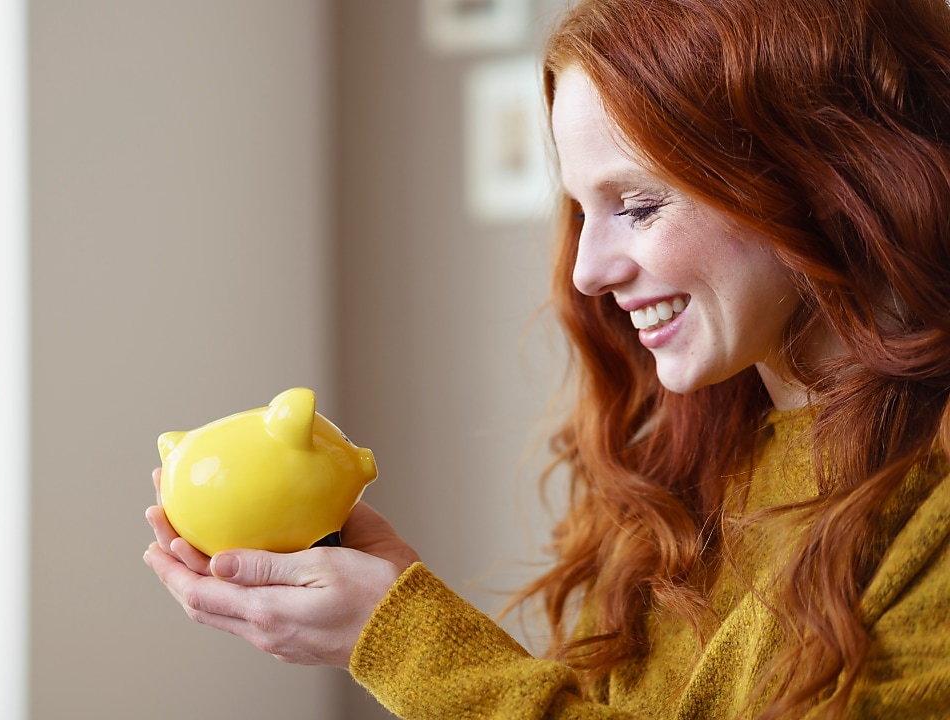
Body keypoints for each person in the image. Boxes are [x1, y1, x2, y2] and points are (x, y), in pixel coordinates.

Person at [144, 0, 950, 716]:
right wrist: (387, 608)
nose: (586, 272)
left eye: (639, 204)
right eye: (581, 208)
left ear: (827, 172)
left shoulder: (930, 506)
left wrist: (408, 646)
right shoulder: (689, 473)